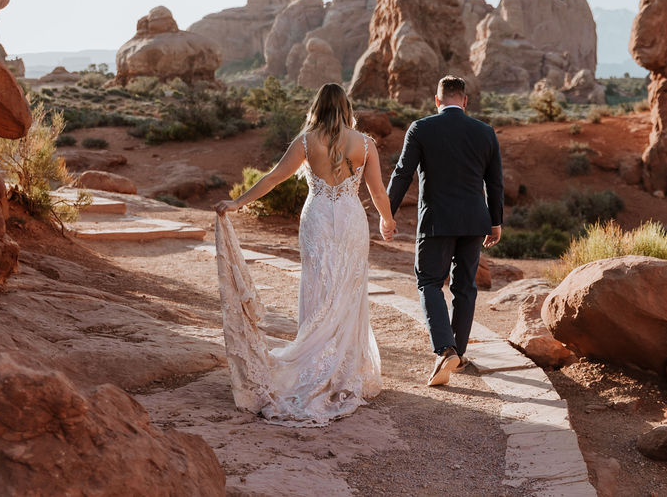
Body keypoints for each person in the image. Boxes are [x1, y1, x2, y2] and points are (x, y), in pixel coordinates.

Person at [214, 83, 396, 426]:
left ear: (317, 106)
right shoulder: (364, 144)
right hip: (350, 221)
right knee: (348, 290)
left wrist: (238, 202)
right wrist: (387, 220)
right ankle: (343, 370)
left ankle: (315, 365)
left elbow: (273, 178)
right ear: (346, 107)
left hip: (317, 220)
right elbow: (377, 192)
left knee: (319, 288)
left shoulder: (306, 141)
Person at [387, 75, 503, 386]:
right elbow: (494, 182)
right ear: (464, 101)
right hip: (475, 222)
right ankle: (458, 354)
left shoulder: (421, 128)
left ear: (437, 100)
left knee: (428, 282)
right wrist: (495, 221)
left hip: (437, 220)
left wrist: (388, 213)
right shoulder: (485, 132)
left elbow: (402, 173)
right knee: (465, 287)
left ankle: (445, 349)